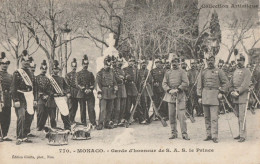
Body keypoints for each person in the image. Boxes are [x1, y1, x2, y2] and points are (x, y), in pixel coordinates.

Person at [197, 54, 229, 143]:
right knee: (206, 117)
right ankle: (208, 135)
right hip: (205, 96)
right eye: (208, 60)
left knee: (214, 118)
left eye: (211, 60)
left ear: (214, 60)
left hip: (215, 96)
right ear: (206, 61)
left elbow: (226, 83)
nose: (210, 62)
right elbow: (199, 85)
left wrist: (221, 92)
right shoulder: (203, 72)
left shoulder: (219, 71)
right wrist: (199, 96)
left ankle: (215, 136)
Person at [162, 54, 190, 140]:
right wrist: (169, 90)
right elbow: (164, 83)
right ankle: (173, 133)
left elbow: (186, 83)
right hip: (170, 96)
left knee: (181, 116)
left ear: (179, 63)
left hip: (180, 95)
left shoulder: (182, 72)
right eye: (173, 62)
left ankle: (184, 133)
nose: (174, 63)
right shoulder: (168, 72)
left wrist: (178, 89)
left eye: (176, 62)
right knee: (171, 115)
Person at [11, 50, 34, 145]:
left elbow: (34, 87)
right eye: (24, 60)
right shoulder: (17, 73)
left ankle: (25, 136)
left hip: (29, 97)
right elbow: (13, 87)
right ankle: (19, 137)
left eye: (28, 60)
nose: (26, 62)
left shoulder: (31, 73)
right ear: (21, 61)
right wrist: (15, 99)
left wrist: (35, 99)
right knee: (21, 116)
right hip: (20, 97)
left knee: (29, 116)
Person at [230, 54, 251, 142]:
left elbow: (245, 84)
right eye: (238, 60)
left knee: (242, 116)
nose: (239, 62)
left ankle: (243, 135)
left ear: (244, 61)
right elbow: (231, 82)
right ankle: (240, 133)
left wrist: (238, 91)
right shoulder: (235, 71)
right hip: (235, 96)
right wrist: (231, 91)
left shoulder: (247, 71)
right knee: (238, 116)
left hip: (242, 96)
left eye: (241, 60)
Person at [47, 60, 71, 130]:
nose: (56, 70)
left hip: (60, 98)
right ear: (52, 70)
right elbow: (47, 89)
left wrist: (67, 92)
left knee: (65, 113)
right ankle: (53, 127)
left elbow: (66, 87)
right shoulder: (49, 79)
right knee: (52, 116)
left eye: (57, 69)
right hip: (52, 99)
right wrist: (52, 93)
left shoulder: (61, 79)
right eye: (55, 69)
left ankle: (67, 127)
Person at [96, 56, 118, 130]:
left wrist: (115, 86)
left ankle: (107, 123)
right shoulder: (100, 73)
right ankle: (100, 124)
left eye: (109, 65)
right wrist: (99, 93)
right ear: (104, 64)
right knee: (102, 110)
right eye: (106, 65)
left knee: (110, 109)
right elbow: (97, 84)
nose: (108, 66)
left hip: (111, 92)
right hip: (104, 93)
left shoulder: (112, 72)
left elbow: (114, 81)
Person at [76, 55, 96, 126]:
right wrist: (84, 89)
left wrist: (90, 89)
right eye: (84, 64)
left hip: (89, 93)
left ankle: (93, 122)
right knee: (82, 109)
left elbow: (94, 82)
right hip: (82, 93)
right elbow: (77, 84)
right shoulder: (78, 74)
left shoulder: (90, 74)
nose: (85, 65)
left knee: (91, 108)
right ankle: (83, 122)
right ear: (82, 64)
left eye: (87, 64)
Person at [35, 60, 51, 131]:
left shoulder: (48, 79)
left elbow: (49, 89)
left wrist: (47, 95)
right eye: (42, 69)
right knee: (40, 111)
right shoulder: (36, 78)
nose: (44, 70)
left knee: (46, 111)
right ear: (40, 69)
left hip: (46, 97)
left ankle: (43, 125)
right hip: (39, 97)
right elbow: (35, 89)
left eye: (45, 69)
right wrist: (40, 95)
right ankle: (39, 125)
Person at [136, 58, 153, 124]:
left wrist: (147, 82)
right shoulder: (138, 71)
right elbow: (137, 81)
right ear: (141, 64)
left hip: (147, 89)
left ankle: (146, 116)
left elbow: (150, 80)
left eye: (145, 64)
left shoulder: (148, 71)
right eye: (142, 64)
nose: (144, 65)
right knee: (143, 103)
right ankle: (143, 117)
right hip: (141, 89)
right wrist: (141, 83)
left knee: (148, 103)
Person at [0, 52, 12, 142]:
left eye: (6, 64)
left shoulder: (10, 76)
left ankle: (5, 135)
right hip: (0, 99)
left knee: (7, 117)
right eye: (2, 64)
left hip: (7, 99)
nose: (4, 66)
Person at [112, 56, 127, 127]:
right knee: (117, 107)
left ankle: (121, 119)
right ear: (116, 62)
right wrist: (122, 78)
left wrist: (124, 78)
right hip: (118, 89)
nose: (120, 63)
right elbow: (116, 79)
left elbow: (125, 77)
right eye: (118, 61)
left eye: (121, 61)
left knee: (123, 106)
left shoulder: (123, 70)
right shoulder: (114, 70)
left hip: (123, 89)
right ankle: (115, 120)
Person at [123, 57, 138, 124]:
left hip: (134, 90)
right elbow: (126, 78)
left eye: (133, 61)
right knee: (128, 106)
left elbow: (137, 80)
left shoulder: (136, 70)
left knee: (137, 104)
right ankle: (127, 119)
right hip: (128, 89)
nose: (131, 63)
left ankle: (136, 117)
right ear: (128, 62)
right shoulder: (125, 69)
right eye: (130, 61)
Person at [24, 57, 37, 137]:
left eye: (33, 68)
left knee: (31, 115)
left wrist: (35, 99)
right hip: (25, 98)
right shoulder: (25, 76)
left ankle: (27, 131)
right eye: (31, 67)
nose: (32, 69)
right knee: (25, 115)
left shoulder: (34, 77)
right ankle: (23, 132)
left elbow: (36, 89)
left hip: (32, 99)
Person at [65, 58, 79, 123]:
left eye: (75, 66)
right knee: (70, 107)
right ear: (71, 66)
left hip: (77, 93)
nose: (74, 67)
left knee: (75, 107)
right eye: (73, 66)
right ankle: (69, 121)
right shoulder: (68, 75)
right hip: (70, 93)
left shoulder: (78, 74)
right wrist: (68, 92)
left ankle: (72, 120)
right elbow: (66, 85)